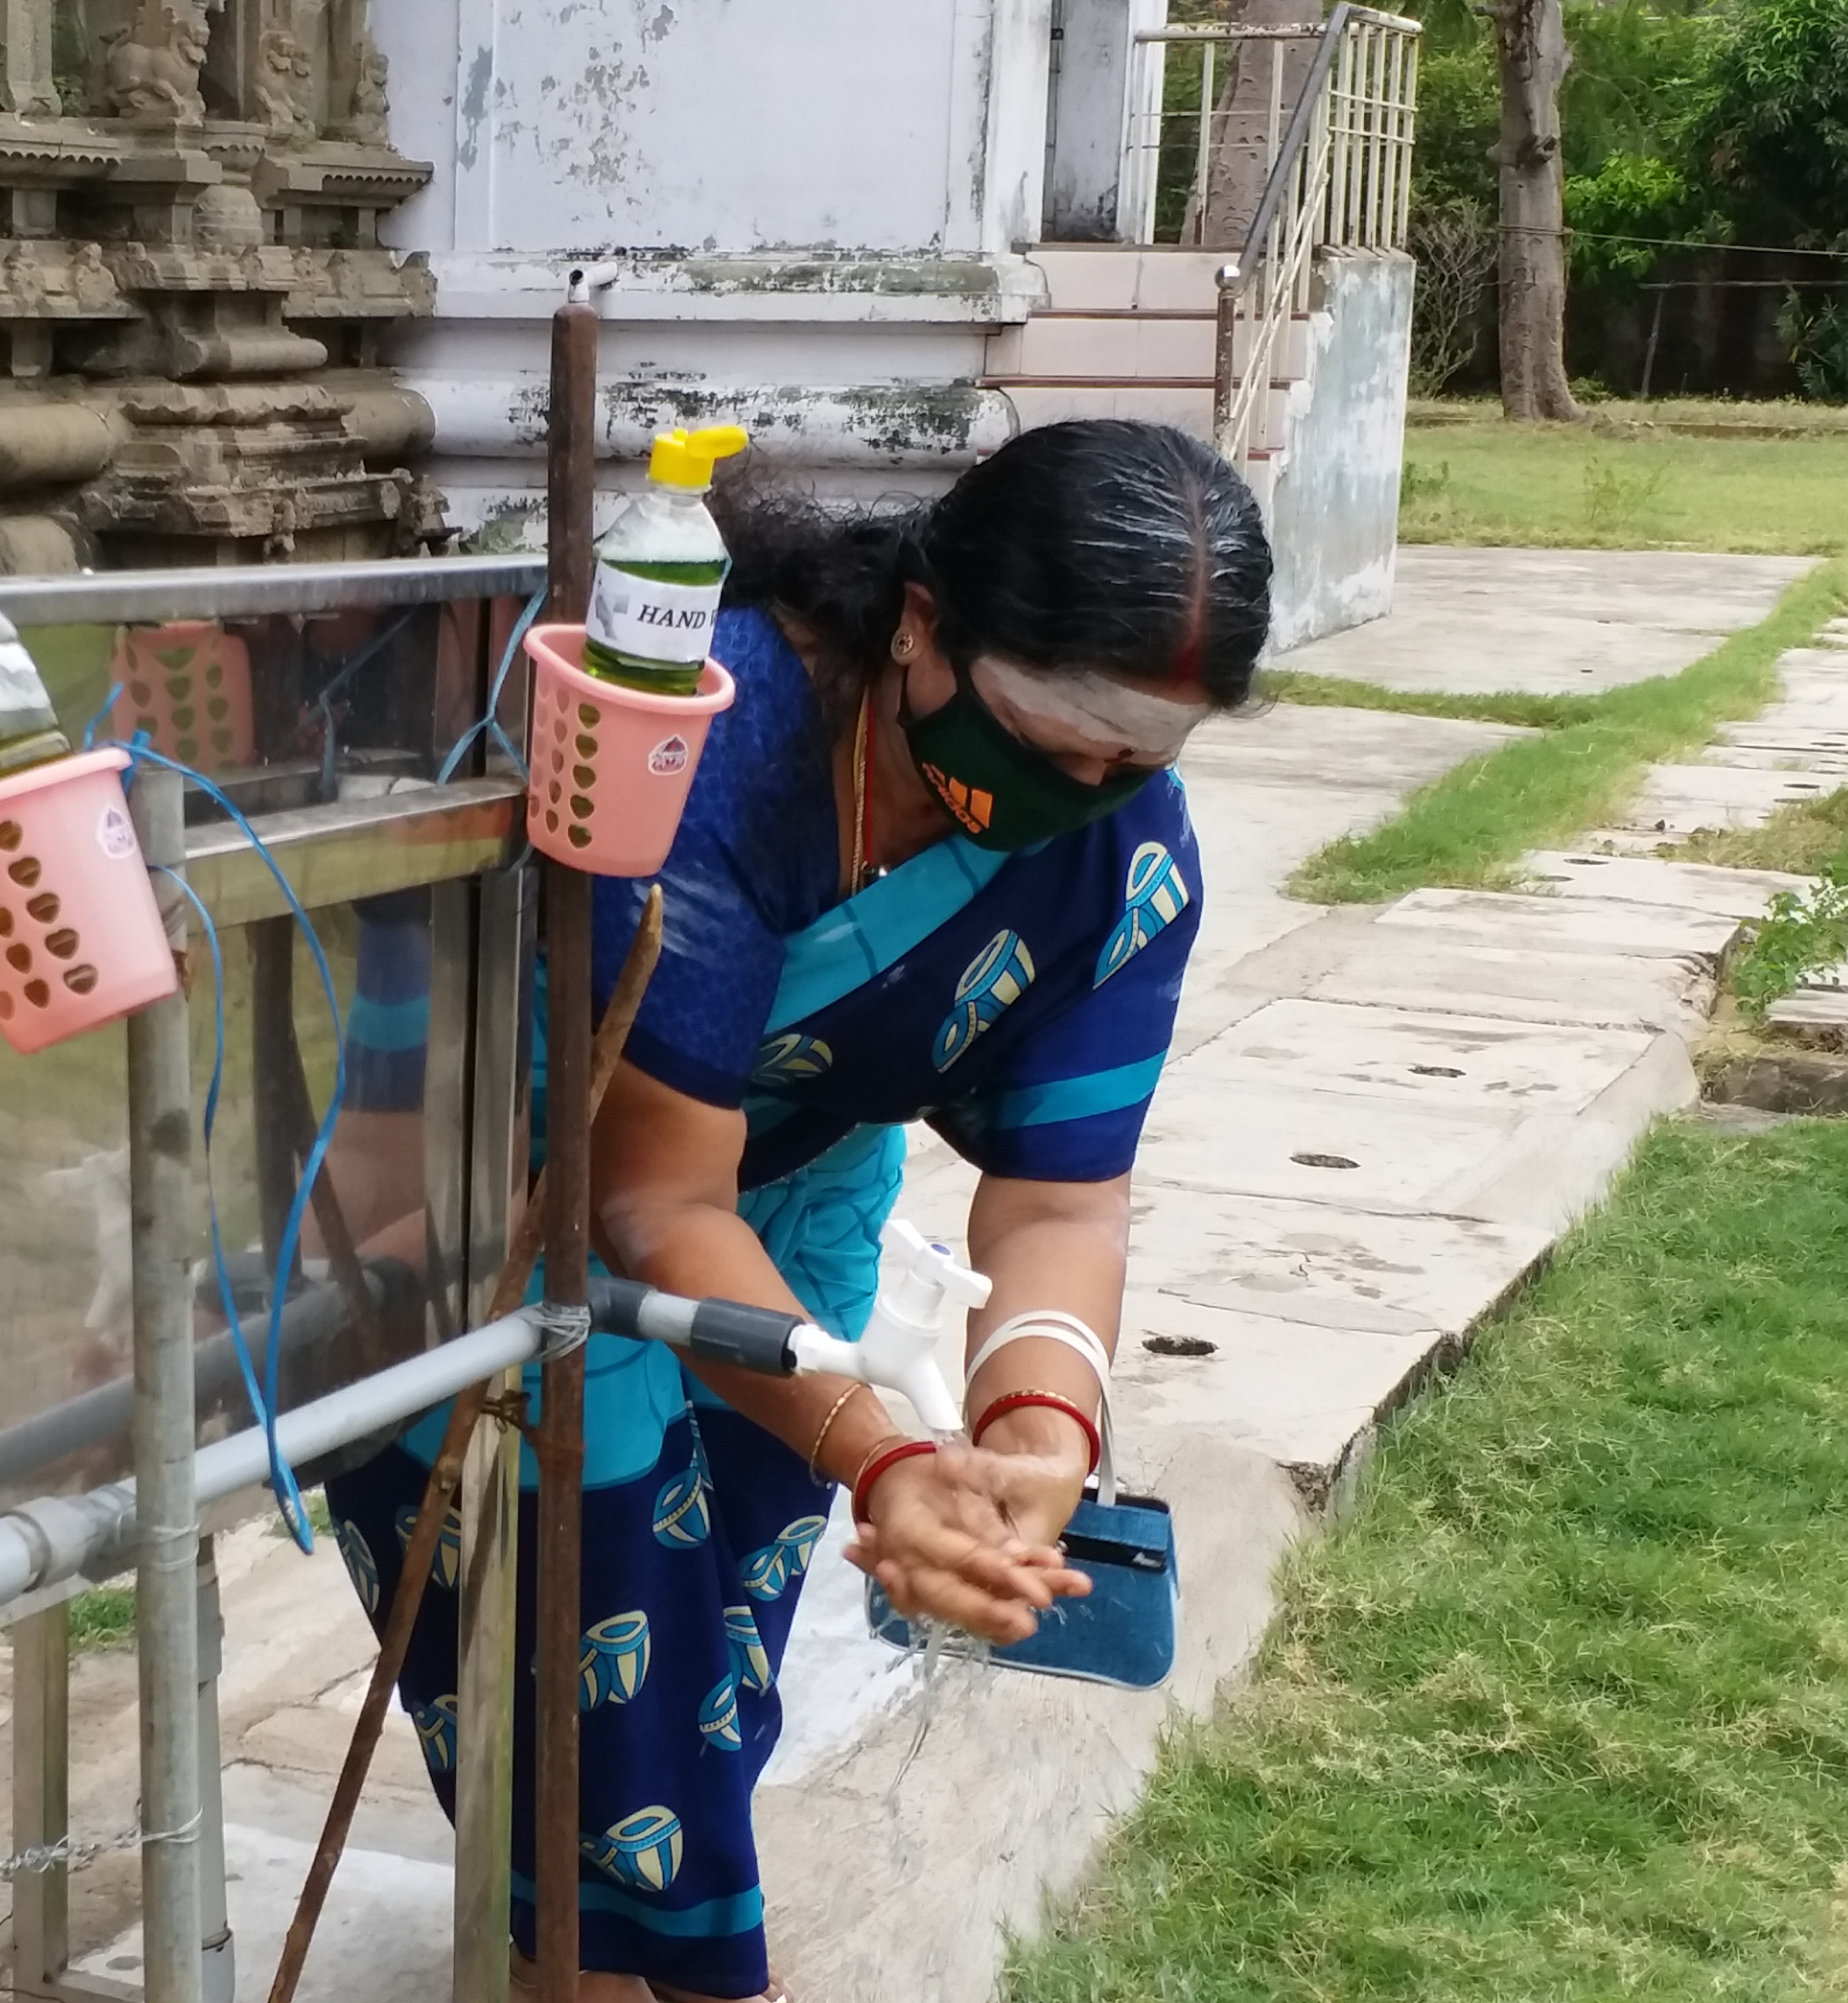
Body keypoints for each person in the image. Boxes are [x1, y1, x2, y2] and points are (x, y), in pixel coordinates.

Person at [323, 418, 1271, 2002]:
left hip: (796, 1215)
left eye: (1139, 760)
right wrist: (886, 1453)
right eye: (1053, 736)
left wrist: (1035, 1436)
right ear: (922, 630)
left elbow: (1061, 1200)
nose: (1082, 792)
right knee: (594, 1704)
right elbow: (648, 1199)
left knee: (707, 1678)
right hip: (507, 1197)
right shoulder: (713, 748)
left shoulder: (1122, 856)